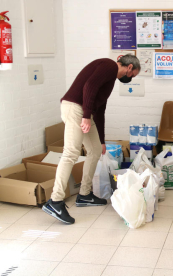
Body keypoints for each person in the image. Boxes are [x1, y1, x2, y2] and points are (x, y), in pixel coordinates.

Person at [42, 55, 141, 224]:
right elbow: (89, 86)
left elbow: (100, 111)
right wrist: (86, 116)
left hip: (83, 111)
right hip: (75, 108)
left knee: (95, 150)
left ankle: (84, 195)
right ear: (129, 67)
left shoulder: (110, 79)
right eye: (132, 75)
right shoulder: (109, 66)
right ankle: (55, 201)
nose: (130, 79)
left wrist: (101, 140)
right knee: (71, 153)